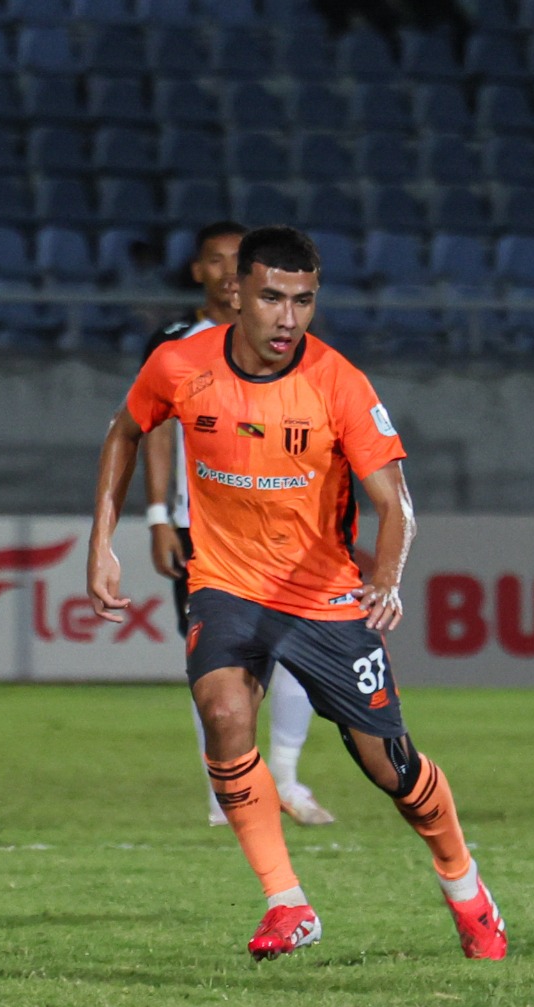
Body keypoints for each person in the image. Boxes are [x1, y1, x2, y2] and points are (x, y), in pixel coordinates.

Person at [87, 226, 506, 961]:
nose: (288, 318)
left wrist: (386, 577)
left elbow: (396, 503)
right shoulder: (180, 364)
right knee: (222, 711)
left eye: (303, 301)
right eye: (273, 298)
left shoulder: (338, 381)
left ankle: (463, 883)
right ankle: (287, 903)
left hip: (323, 596)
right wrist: (103, 543)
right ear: (236, 295)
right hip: (227, 584)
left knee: (392, 769)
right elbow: (125, 432)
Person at [142, 220, 334, 829]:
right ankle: (224, 793)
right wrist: (156, 516)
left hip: (282, 523)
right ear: (198, 271)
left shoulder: (283, 341)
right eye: (216, 260)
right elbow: (151, 430)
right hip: (200, 526)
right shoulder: (176, 344)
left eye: (237, 261)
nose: (228, 273)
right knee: (216, 664)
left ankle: (286, 777)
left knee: (300, 649)